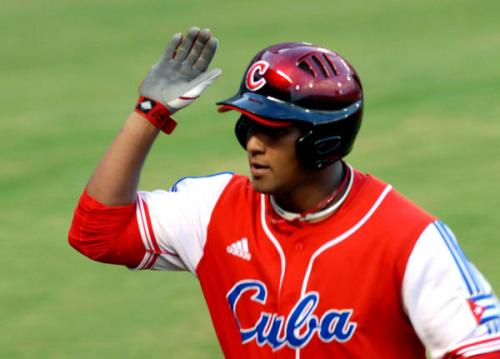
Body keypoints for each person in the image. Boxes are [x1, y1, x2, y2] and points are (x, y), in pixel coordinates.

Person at [68, 27, 500, 358]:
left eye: (274, 131)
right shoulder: (213, 210)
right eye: (249, 126)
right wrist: (150, 112)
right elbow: (97, 233)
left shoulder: (407, 240)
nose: (254, 143)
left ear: (322, 140)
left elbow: (482, 349)